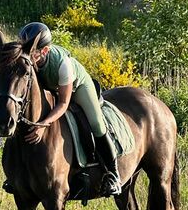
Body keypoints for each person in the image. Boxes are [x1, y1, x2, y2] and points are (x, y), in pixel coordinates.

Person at [18, 21, 121, 196]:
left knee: (96, 124)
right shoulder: (28, 61)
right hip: (52, 88)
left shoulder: (62, 64)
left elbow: (64, 104)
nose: (26, 54)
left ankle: (113, 175)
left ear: (45, 51)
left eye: (32, 51)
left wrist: (43, 125)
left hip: (76, 88)